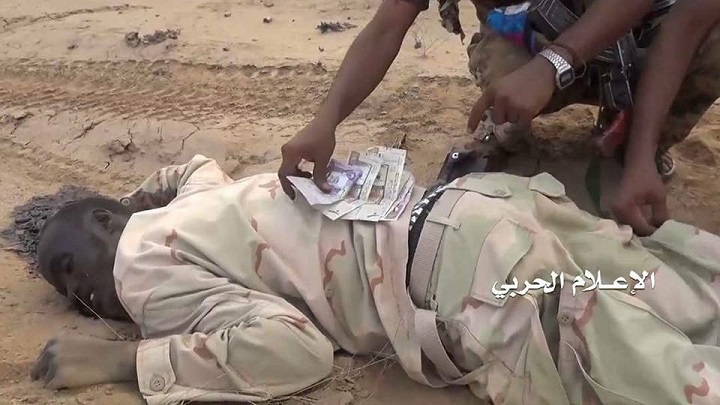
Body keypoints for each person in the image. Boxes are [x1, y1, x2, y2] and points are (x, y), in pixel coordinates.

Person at [29, 154, 720, 404]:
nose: (82, 294)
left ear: (107, 226)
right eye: (69, 293)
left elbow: (296, 350)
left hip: (468, 280)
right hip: (479, 206)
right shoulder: (200, 197)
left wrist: (129, 359)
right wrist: (132, 203)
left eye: (68, 269)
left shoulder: (140, 271)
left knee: (653, 383)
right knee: (687, 296)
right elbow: (186, 168)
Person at [277, 0, 720, 238]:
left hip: (639, 33)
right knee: (505, 69)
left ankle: (635, 130)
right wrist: (325, 121)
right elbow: (387, 25)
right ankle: (509, 118)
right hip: (533, 33)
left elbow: (685, 15)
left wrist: (641, 152)